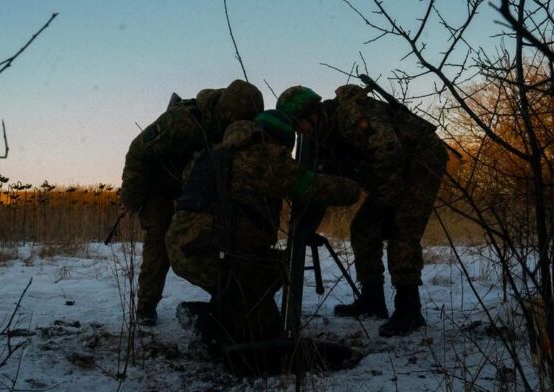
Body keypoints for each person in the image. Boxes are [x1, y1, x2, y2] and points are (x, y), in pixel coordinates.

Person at [165, 109, 361, 346]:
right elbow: (312, 187)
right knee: (266, 320)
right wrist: (353, 187)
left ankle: (221, 314)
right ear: (282, 140)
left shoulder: (213, 153)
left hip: (185, 248)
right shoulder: (263, 157)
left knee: (258, 267)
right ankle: (214, 323)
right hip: (213, 252)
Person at [276, 84, 449, 337]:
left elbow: (388, 151)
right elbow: (323, 184)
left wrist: (388, 203)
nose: (299, 131)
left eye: (299, 123)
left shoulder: (350, 116)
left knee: (401, 229)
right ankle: (373, 300)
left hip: (420, 161)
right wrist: (307, 228)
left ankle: (409, 310)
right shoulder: (322, 137)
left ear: (311, 114)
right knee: (364, 228)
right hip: (392, 172)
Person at [120, 80, 264, 326]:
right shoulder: (183, 122)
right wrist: (132, 197)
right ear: (227, 115)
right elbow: (138, 150)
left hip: (195, 187)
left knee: (216, 235)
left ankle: (226, 298)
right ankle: (146, 306)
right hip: (159, 187)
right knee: (160, 238)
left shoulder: (232, 126)